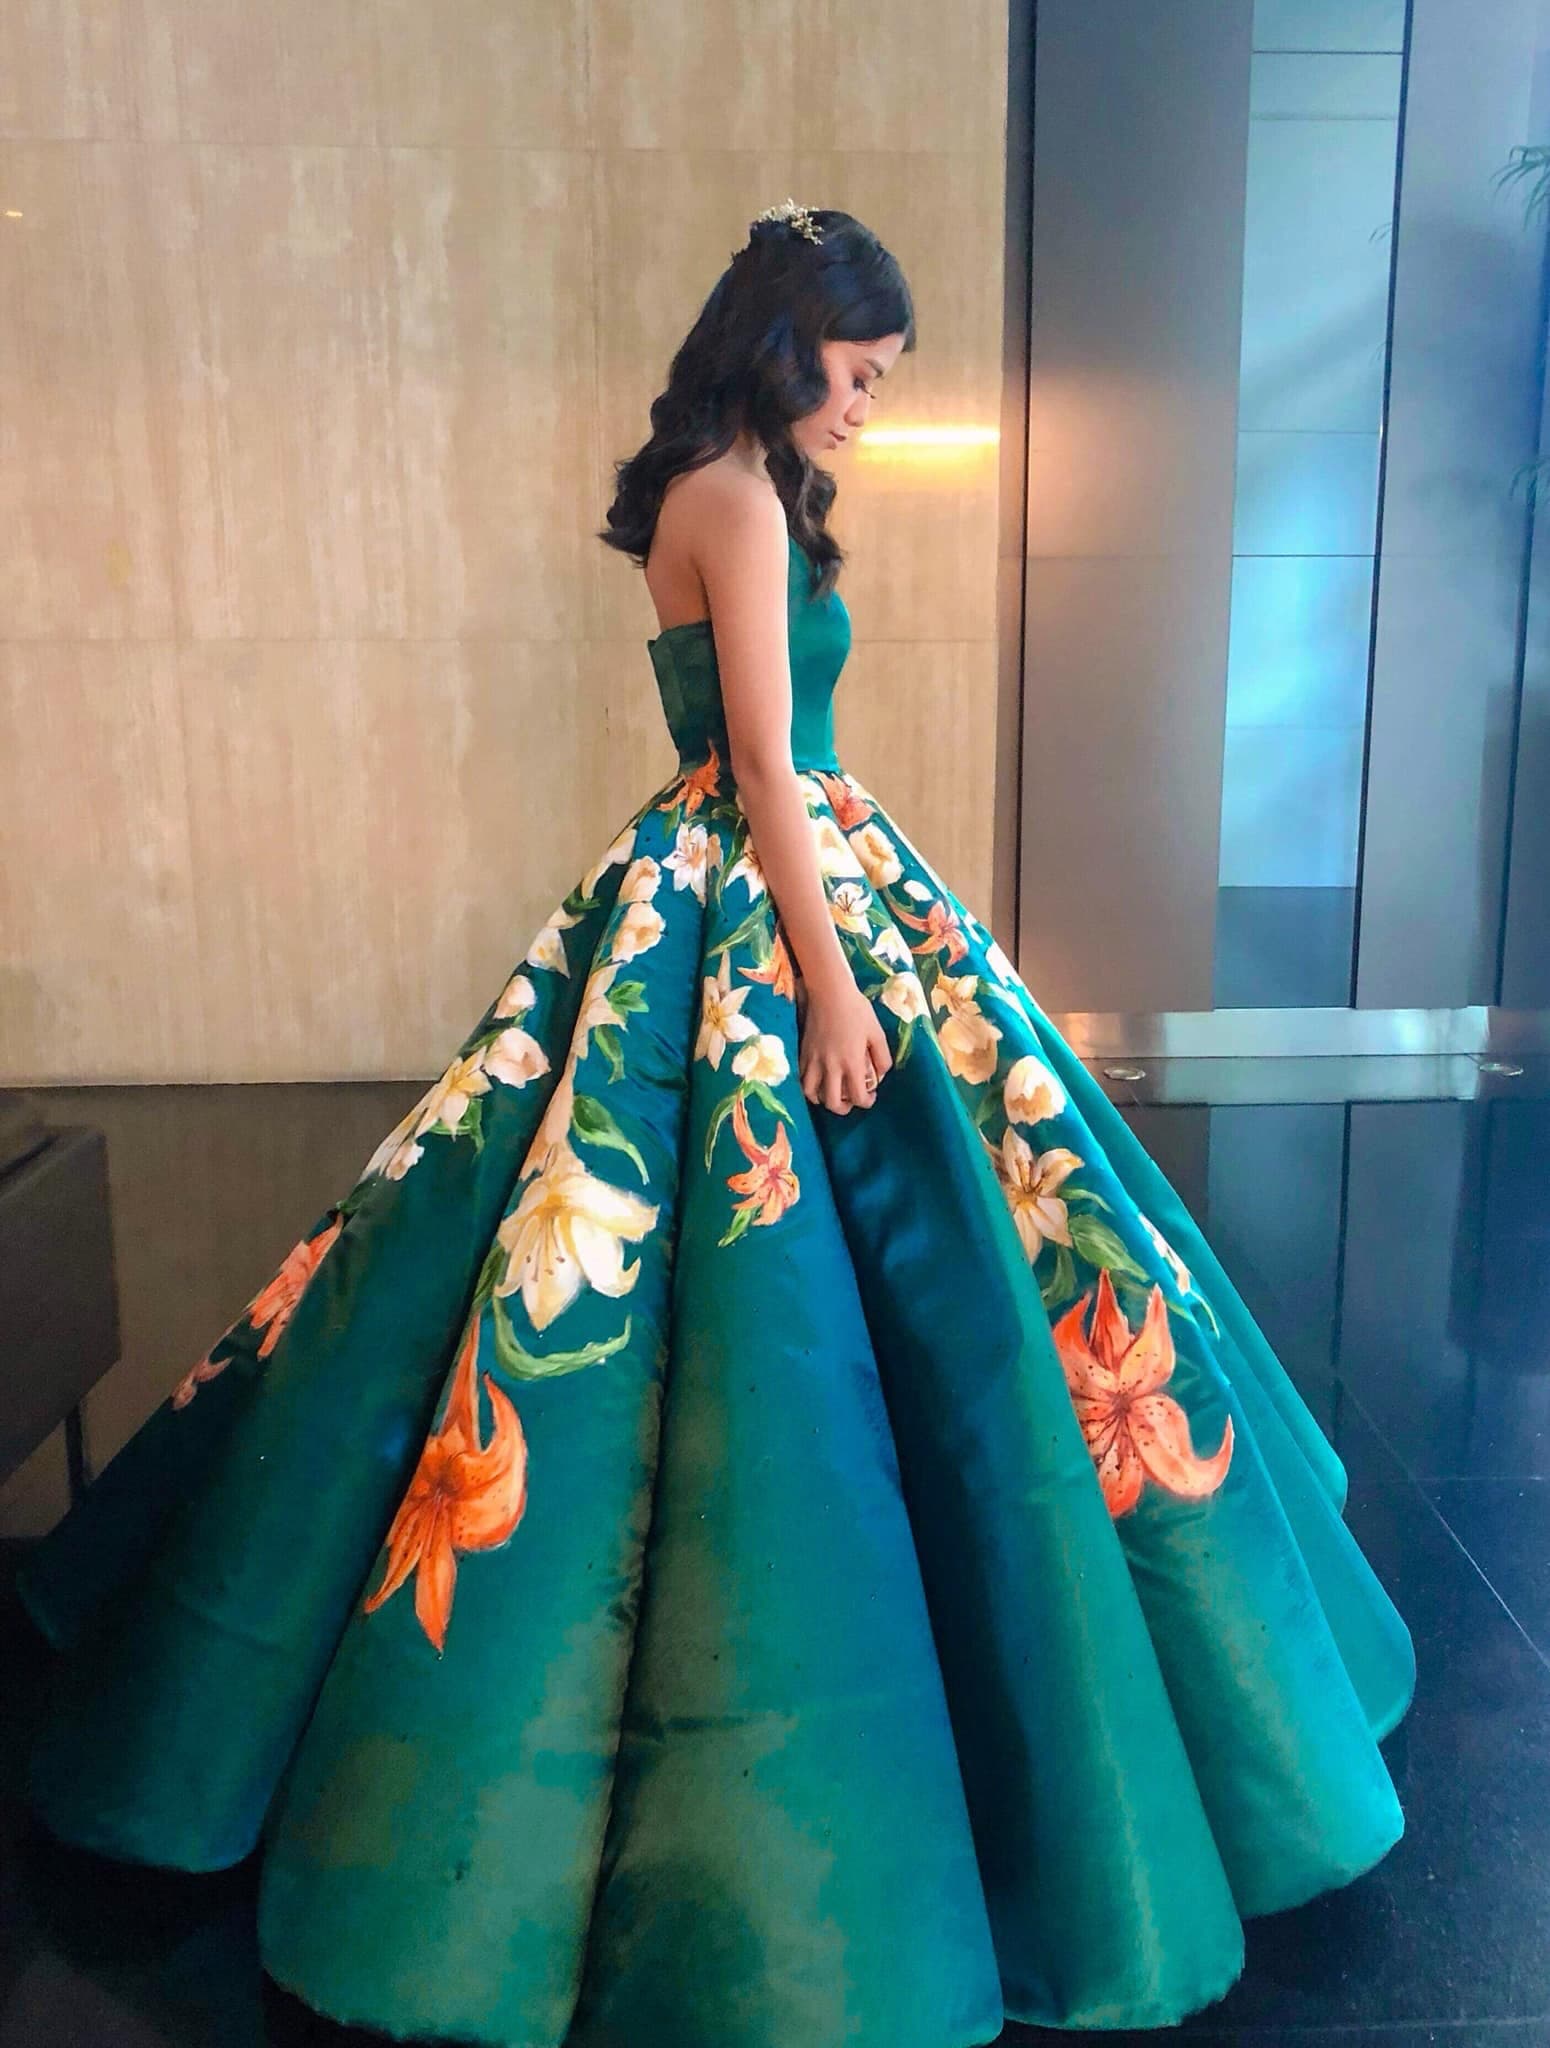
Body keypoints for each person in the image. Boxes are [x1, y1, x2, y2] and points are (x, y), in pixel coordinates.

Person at [13, 200, 1415, 2046]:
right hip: (774, 886)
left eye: (884, 383)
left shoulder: (724, 476)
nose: (866, 409)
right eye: (856, 372)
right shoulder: (736, 499)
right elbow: (758, 760)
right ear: (785, 337)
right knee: (870, 1255)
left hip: (763, 867)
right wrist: (833, 985)